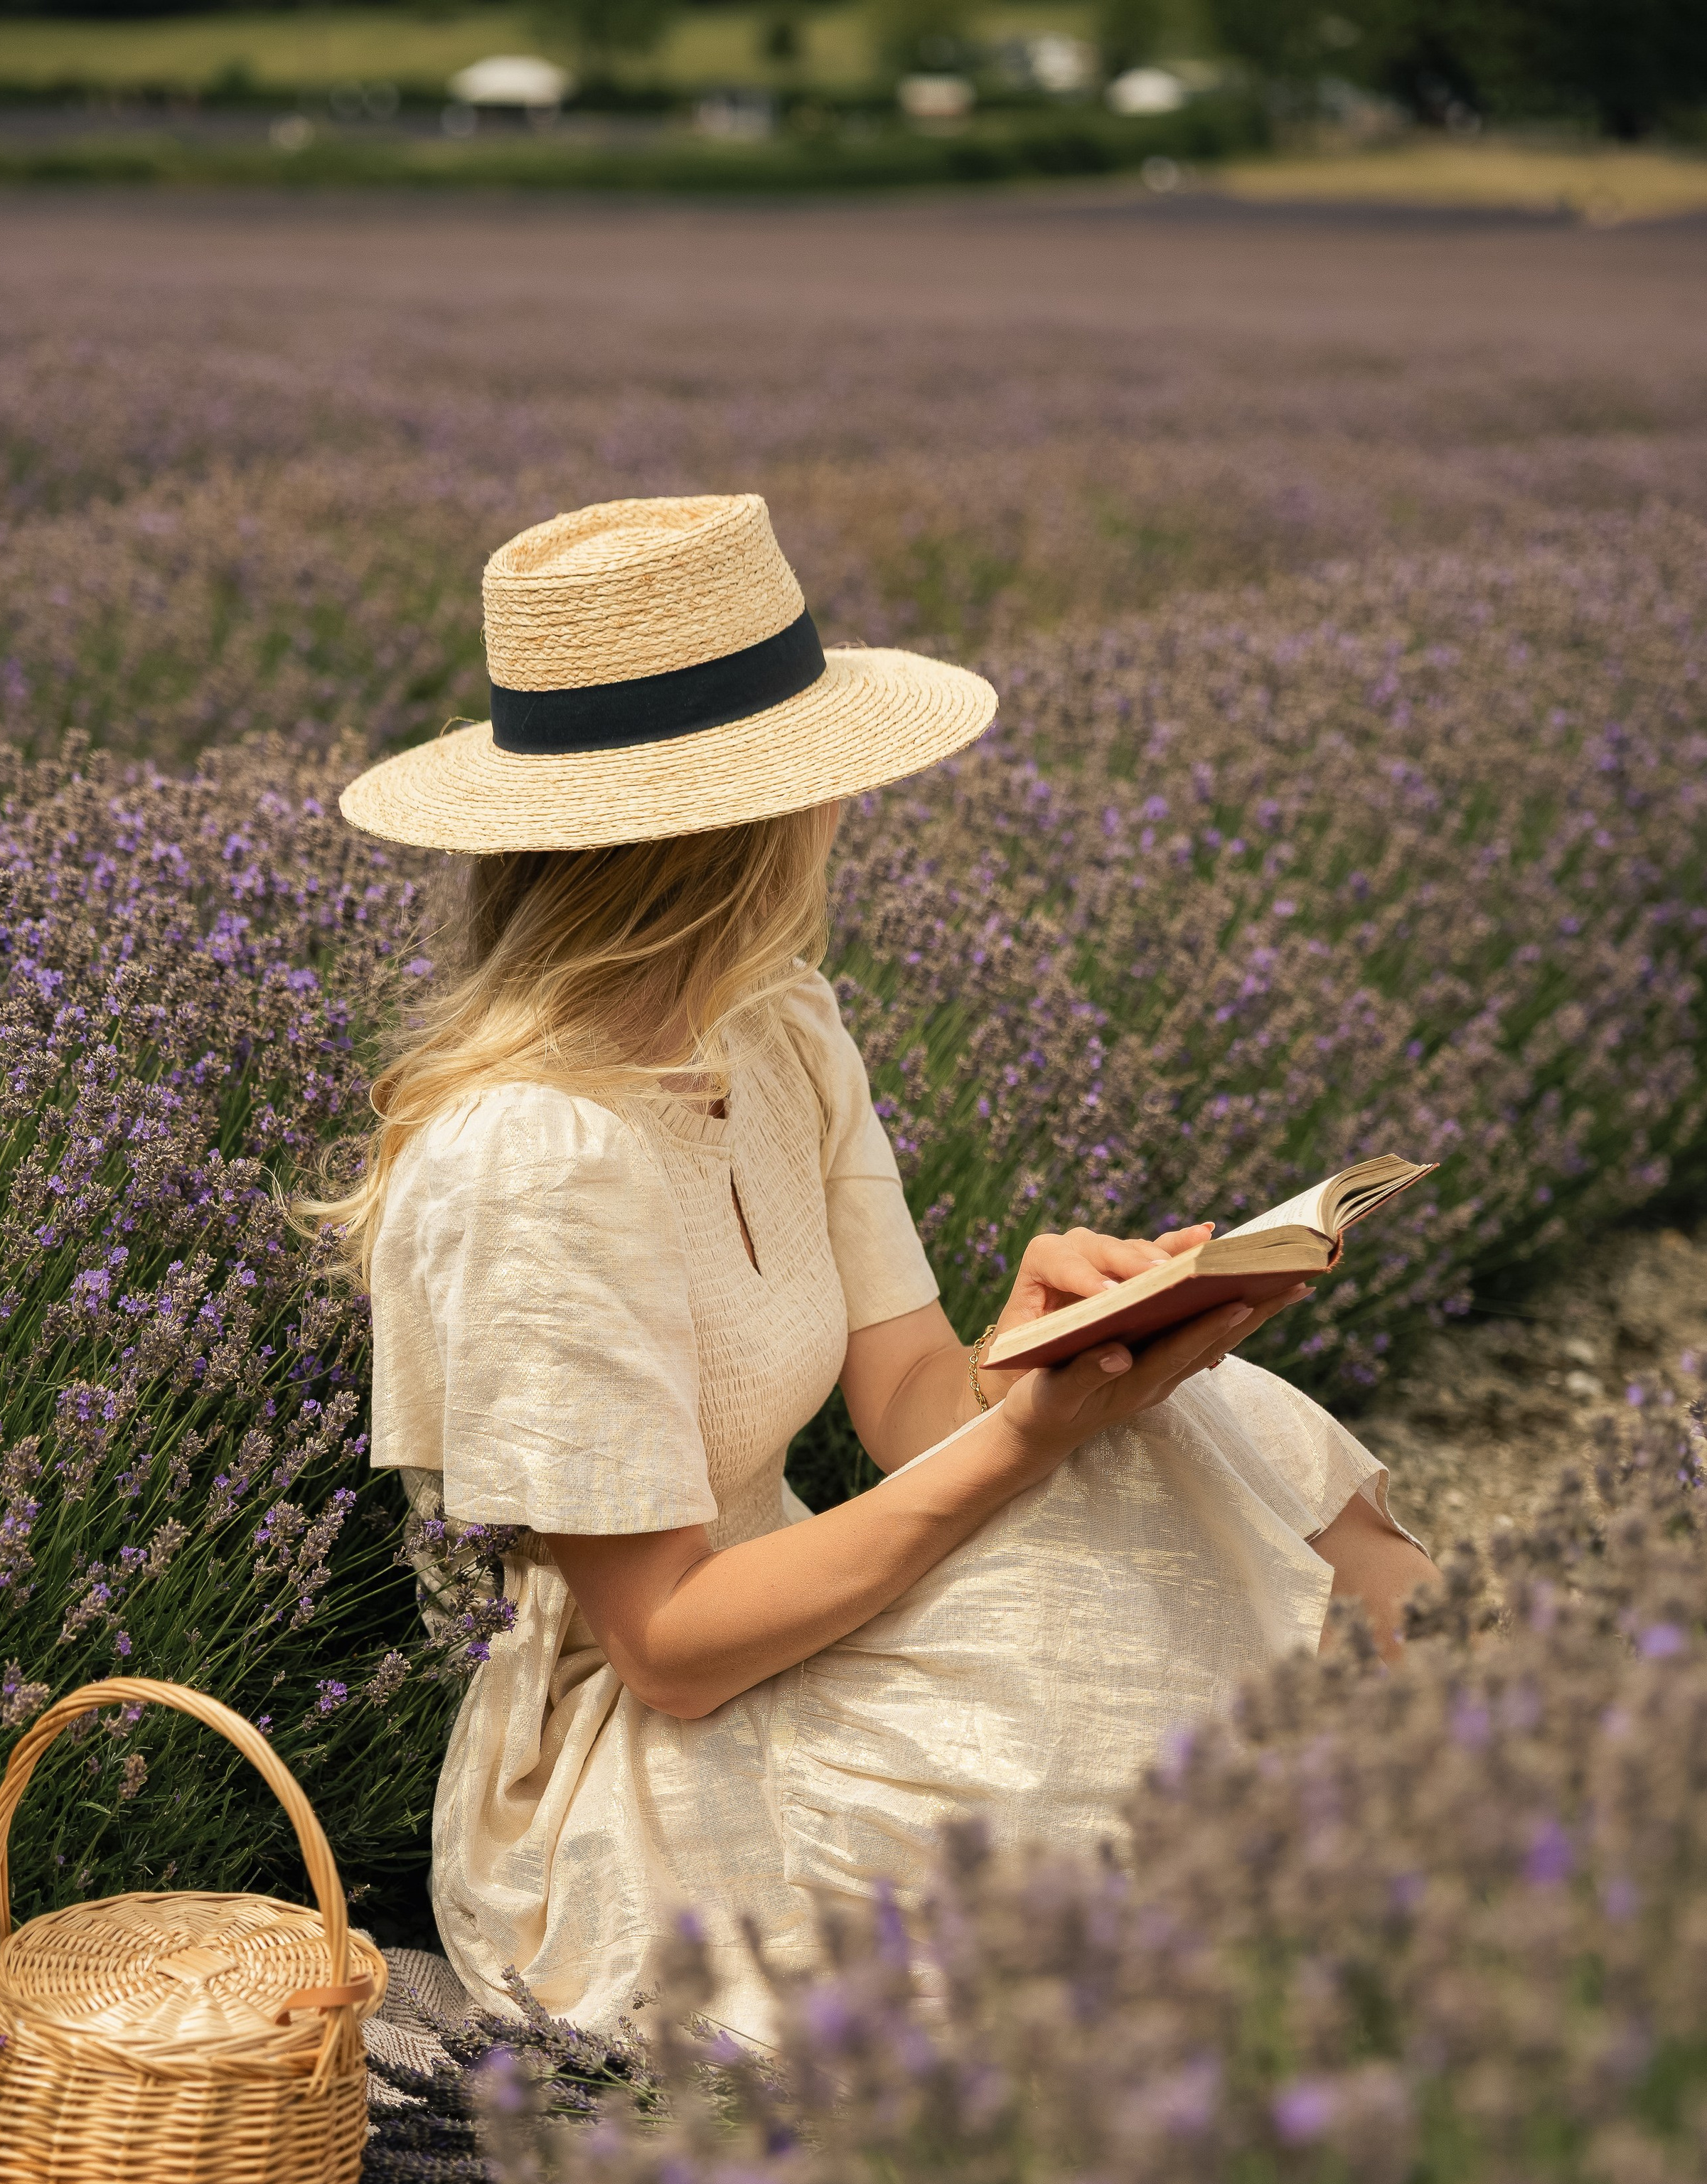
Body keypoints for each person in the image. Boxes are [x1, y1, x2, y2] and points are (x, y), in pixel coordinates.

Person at [314, 493, 1438, 2044]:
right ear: (743, 823)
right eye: (819, 773)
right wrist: (1022, 1448)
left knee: (1215, 1417)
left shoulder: (777, 1030)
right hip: (634, 1779)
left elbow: (912, 1396)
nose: (845, 804)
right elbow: (669, 1648)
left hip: (806, 1613)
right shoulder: (533, 1158)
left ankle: (1489, 1813)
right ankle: (1449, 1900)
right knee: (1116, 1652)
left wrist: (1049, 1346)